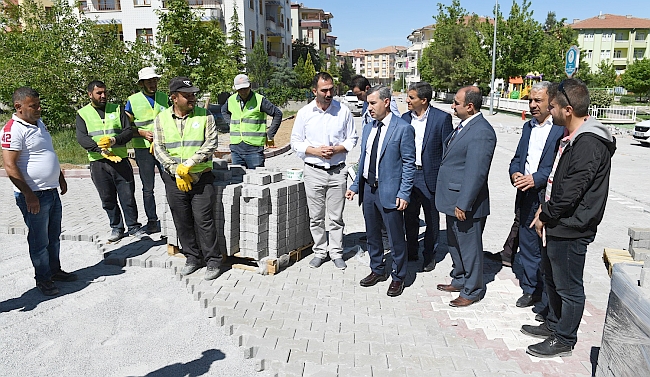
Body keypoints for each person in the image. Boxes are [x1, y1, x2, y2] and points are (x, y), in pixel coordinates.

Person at [522, 79, 616, 358]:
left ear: (568, 109)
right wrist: (546, 212)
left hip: (572, 227)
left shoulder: (589, 143)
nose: (549, 111)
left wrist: (545, 214)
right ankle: (553, 324)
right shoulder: (573, 137)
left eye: (552, 107)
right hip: (558, 223)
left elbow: (571, 192)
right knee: (552, 280)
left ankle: (564, 339)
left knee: (569, 287)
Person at [1, 87, 77, 296]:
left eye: (38, 104)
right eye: (33, 106)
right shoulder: (12, 129)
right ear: (19, 107)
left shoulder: (39, 124)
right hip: (34, 196)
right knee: (39, 241)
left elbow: (48, 153)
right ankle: (43, 279)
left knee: (53, 236)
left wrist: (59, 178)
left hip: (50, 191)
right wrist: (28, 194)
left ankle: (55, 270)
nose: (39, 109)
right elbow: (9, 165)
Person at [496, 81, 565, 309]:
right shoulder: (528, 127)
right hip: (525, 194)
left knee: (545, 248)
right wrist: (515, 172)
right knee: (526, 243)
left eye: (538, 101)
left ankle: (547, 294)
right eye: (530, 101)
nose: (533, 105)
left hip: (546, 195)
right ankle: (530, 289)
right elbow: (518, 157)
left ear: (551, 102)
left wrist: (536, 178)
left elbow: (558, 165)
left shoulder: (559, 129)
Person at [346, 85, 415, 297]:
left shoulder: (403, 128)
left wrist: (404, 193)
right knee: (372, 235)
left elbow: (409, 164)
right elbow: (364, 160)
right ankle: (377, 269)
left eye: (373, 103)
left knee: (395, 238)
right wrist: (355, 186)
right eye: (367, 103)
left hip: (390, 192)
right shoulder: (368, 127)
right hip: (368, 190)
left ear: (386, 102)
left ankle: (398, 276)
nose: (369, 108)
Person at [153, 77, 223, 281]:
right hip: (174, 179)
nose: (193, 98)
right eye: (188, 95)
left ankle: (213, 261)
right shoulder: (161, 118)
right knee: (182, 220)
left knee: (204, 220)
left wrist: (189, 164)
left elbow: (211, 143)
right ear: (174, 98)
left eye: (193, 94)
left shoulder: (205, 115)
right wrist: (176, 170)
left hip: (201, 177)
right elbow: (158, 147)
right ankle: (192, 258)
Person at [435, 86, 496, 307]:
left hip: (466, 203)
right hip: (452, 198)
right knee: (454, 243)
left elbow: (476, 172)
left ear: (470, 107)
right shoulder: (464, 126)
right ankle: (460, 278)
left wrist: (464, 203)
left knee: (469, 248)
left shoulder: (481, 131)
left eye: (456, 103)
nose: (452, 106)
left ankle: (472, 290)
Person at [291, 72, 358, 270]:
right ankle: (320, 251)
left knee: (336, 217)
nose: (329, 93)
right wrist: (315, 151)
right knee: (316, 217)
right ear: (314, 91)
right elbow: (295, 142)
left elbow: (352, 139)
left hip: (337, 172)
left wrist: (337, 149)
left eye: (331, 89)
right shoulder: (305, 113)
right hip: (313, 171)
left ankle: (336, 252)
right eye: (324, 90)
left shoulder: (343, 111)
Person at [76, 80, 144, 242]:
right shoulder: (82, 113)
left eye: (105, 92)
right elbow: (82, 138)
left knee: (127, 195)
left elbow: (128, 132)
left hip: (120, 160)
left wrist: (114, 141)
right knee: (107, 197)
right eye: (99, 93)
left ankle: (133, 226)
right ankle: (116, 227)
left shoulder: (117, 109)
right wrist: (100, 149)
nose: (103, 96)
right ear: (90, 94)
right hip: (99, 162)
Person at [401, 82, 453, 272]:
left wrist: (443, 179)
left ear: (423, 100)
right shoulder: (404, 118)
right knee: (409, 216)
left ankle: (429, 255)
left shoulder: (442, 118)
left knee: (431, 219)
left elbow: (447, 151)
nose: (407, 100)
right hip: (408, 175)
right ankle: (412, 250)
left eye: (411, 97)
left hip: (429, 176)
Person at [125, 67, 168, 234]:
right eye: (149, 81)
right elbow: (126, 126)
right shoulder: (133, 100)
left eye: (154, 80)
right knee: (148, 187)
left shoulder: (164, 98)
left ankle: (173, 216)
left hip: (163, 147)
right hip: (143, 149)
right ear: (142, 83)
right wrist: (141, 132)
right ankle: (152, 220)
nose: (152, 83)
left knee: (170, 183)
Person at [221, 74, 282, 168]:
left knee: (256, 179)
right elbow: (224, 111)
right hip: (236, 148)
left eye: (245, 88)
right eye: (240, 89)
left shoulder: (259, 100)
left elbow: (277, 114)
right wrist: (231, 123)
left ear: (250, 86)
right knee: (236, 180)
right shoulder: (231, 100)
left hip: (254, 149)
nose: (243, 91)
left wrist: (270, 134)